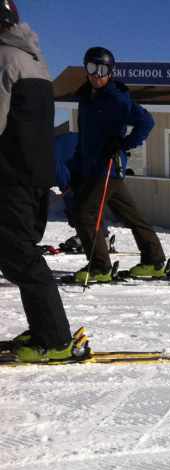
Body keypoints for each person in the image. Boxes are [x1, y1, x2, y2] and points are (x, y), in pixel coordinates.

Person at [0, 1, 86, 363]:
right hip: (33, 174)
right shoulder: (34, 59)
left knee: (19, 258)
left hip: (10, 175)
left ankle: (54, 338)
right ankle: (47, 330)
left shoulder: (3, 58)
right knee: (20, 254)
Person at [70, 46, 165, 285]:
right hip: (93, 167)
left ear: (111, 72)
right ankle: (153, 261)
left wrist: (123, 144)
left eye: (102, 69)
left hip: (107, 167)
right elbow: (86, 137)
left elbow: (146, 122)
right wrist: (77, 166)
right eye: (92, 68)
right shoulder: (86, 97)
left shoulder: (115, 97)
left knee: (83, 215)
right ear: (86, 69)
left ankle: (100, 267)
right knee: (130, 214)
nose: (97, 74)